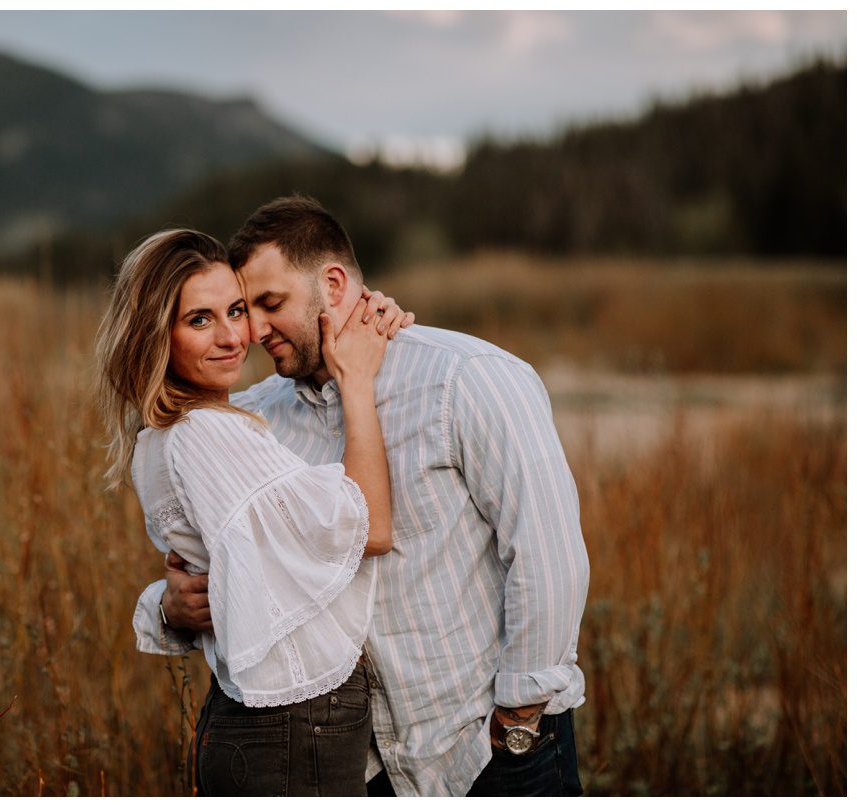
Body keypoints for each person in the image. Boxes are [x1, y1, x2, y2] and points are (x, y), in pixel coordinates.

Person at [148, 196, 591, 796]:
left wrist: (518, 720)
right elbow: (225, 572)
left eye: (268, 304)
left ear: (333, 285)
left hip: (485, 753)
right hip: (355, 768)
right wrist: (170, 607)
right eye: (243, 309)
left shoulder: (469, 378)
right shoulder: (253, 422)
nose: (251, 331)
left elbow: (547, 556)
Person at [94, 228, 415, 796]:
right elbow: (371, 527)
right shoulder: (206, 433)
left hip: (276, 726)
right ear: (154, 336)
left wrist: (359, 311)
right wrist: (357, 382)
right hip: (290, 726)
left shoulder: (175, 431)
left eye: (237, 310)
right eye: (199, 320)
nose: (232, 337)